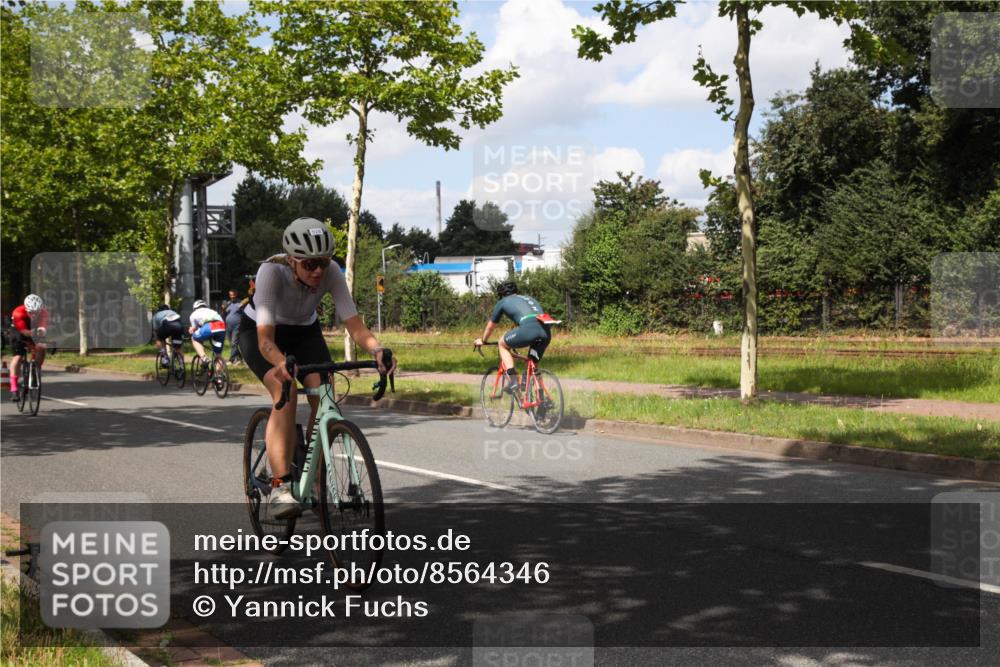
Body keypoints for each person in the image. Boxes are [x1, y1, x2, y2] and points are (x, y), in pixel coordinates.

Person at [238, 217, 396, 519]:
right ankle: (280, 485)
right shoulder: (271, 272)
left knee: (325, 394)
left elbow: (353, 323)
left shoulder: (331, 272)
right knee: (285, 391)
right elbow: (265, 342)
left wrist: (377, 349)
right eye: (309, 264)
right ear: (292, 261)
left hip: (304, 332)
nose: (318, 271)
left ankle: (312, 471)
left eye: (322, 262)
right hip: (262, 333)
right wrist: (282, 363)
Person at [474, 281, 557, 394]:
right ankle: (542, 400)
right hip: (545, 332)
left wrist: (483, 340)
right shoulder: (529, 298)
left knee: (502, 344)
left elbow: (490, 327)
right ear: (516, 292)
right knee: (533, 366)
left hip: (528, 330)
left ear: (501, 295)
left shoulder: (503, 302)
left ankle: (513, 380)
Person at [9, 294, 50, 400]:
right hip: (19, 330)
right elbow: (25, 332)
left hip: (34, 328)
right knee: (17, 357)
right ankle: (14, 388)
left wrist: (41, 332)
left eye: (37, 312)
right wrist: (33, 334)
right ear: (26, 309)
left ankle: (35, 371)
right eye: (31, 312)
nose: (34, 315)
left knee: (41, 348)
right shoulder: (18, 312)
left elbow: (43, 328)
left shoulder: (44, 313)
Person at [188, 299, 226, 366]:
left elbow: (194, 329)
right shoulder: (212, 311)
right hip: (221, 327)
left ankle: (204, 358)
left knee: (194, 338)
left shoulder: (193, 314)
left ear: (194, 308)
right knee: (218, 354)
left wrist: (191, 330)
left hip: (209, 326)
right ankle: (219, 375)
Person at [222, 289, 243, 364]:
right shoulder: (228, 303)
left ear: (236, 294)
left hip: (237, 326)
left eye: (234, 295)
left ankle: (232, 359)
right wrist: (223, 309)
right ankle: (240, 358)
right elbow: (224, 315)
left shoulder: (241, 303)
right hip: (228, 327)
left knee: (234, 343)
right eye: (231, 295)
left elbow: (245, 314)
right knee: (232, 344)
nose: (232, 297)